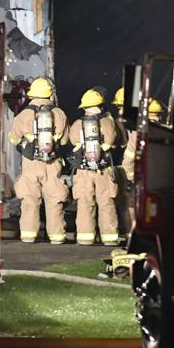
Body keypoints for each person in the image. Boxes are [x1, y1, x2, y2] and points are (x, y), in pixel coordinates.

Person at [7, 77, 69, 244]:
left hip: (31, 162)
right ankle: (56, 237)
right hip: (53, 162)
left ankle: (28, 235)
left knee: (29, 199)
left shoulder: (23, 115)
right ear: (50, 94)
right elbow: (64, 141)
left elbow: (13, 139)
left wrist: (25, 145)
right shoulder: (59, 114)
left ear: (31, 95)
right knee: (54, 199)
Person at [68, 88, 120, 245]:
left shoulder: (78, 123)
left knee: (84, 204)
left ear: (84, 107)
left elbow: (73, 141)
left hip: (83, 171)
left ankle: (85, 238)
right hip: (103, 170)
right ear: (101, 104)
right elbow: (113, 140)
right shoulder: (108, 122)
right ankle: (109, 238)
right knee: (106, 204)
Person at [110, 87, 132, 236]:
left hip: (123, 165)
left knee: (125, 202)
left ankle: (128, 230)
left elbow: (119, 143)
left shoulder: (119, 122)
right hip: (130, 165)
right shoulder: (140, 122)